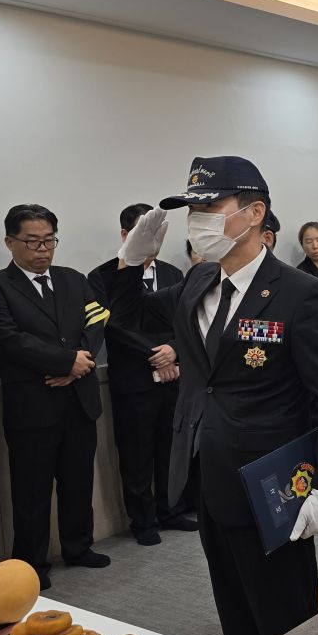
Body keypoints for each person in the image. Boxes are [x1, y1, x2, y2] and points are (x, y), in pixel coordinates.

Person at [107, 156, 318, 635]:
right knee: (236, 611)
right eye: (192, 210)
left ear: (255, 213)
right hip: (208, 472)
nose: (197, 220)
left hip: (273, 481)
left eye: (210, 208)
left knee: (286, 622)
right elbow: (125, 314)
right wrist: (129, 263)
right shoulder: (199, 281)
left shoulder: (300, 293)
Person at [0, 203, 111, 590]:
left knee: (78, 480)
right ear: (10, 242)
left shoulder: (73, 279)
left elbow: (96, 322)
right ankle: (31, 562)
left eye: (49, 240)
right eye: (32, 241)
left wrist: (79, 364)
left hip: (79, 399)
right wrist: (66, 361)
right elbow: (8, 339)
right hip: (32, 406)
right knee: (31, 489)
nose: (42, 249)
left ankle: (78, 546)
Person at [88, 203, 197, 547]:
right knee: (136, 453)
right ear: (126, 235)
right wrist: (156, 354)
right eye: (142, 233)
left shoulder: (173, 273)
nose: (151, 241)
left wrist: (174, 349)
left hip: (174, 375)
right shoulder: (101, 276)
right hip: (133, 379)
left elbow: (187, 319)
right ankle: (143, 520)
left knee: (170, 447)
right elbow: (113, 325)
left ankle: (171, 510)